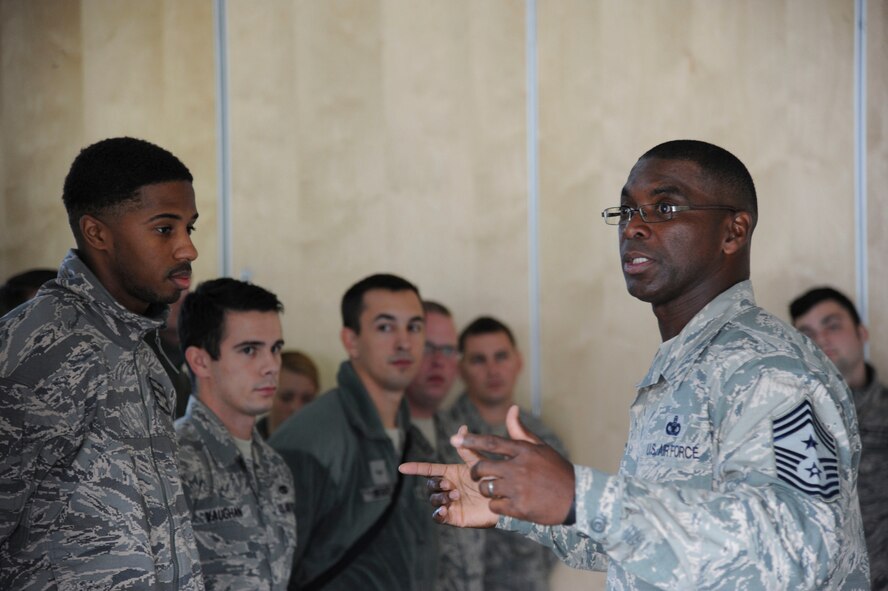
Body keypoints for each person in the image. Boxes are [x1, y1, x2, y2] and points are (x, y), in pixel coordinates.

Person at [401, 140, 870, 590]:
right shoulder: (686, 365)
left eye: (665, 208)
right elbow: (652, 545)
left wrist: (579, 495)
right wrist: (516, 503)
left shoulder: (769, 369)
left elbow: (796, 551)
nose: (633, 227)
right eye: (626, 211)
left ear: (734, 231)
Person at [0, 137, 203, 589]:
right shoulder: (40, 346)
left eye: (191, 228)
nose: (188, 249)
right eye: (165, 229)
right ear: (97, 233)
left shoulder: (137, 342)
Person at [269, 274, 437, 590]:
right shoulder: (310, 441)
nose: (404, 342)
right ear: (351, 341)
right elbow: (277, 572)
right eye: (385, 327)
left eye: (414, 327)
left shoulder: (416, 443)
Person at [174, 278, 296, 590]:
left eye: (275, 348)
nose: (271, 365)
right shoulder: (172, 462)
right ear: (200, 361)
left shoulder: (273, 465)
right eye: (249, 350)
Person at [445, 316, 565, 591]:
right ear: (461, 369)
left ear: (518, 362)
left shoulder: (542, 440)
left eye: (501, 357)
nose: (492, 370)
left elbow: (561, 524)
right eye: (478, 360)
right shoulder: (445, 436)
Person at [790, 287, 888, 590]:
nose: (821, 340)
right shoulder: (785, 423)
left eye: (832, 326)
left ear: (861, 333)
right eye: (807, 333)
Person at [405, 301, 485, 591]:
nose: (439, 361)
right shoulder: (383, 438)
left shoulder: (462, 434)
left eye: (448, 350)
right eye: (428, 348)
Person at [257, 350, 320, 438]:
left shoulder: (329, 445)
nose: (297, 409)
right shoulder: (241, 448)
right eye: (286, 398)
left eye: (307, 399)